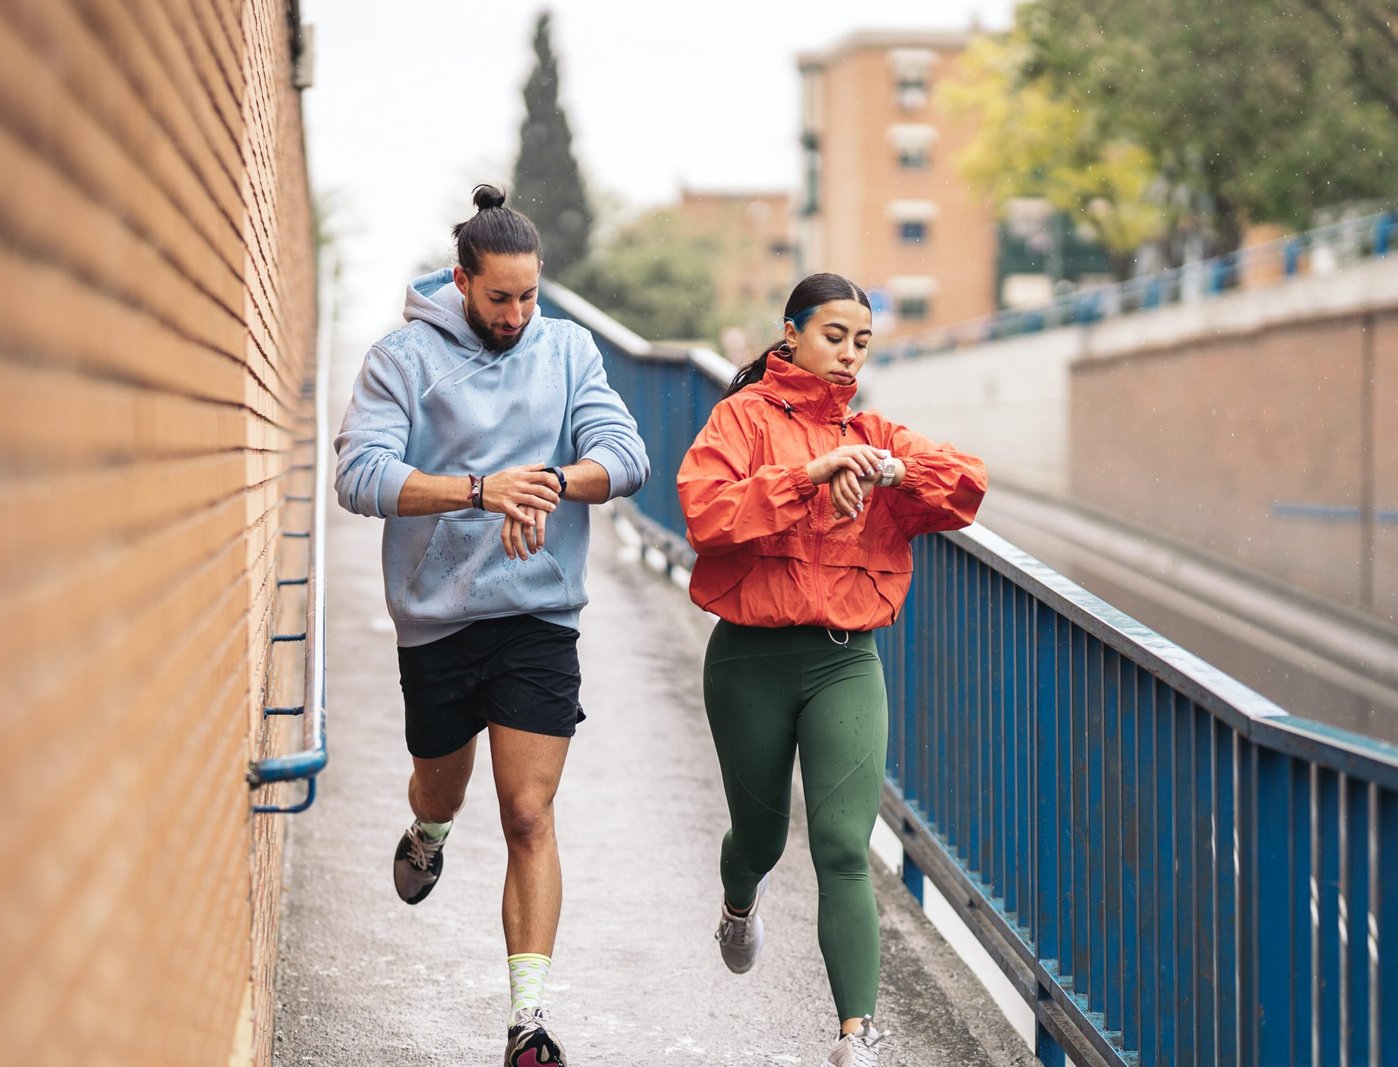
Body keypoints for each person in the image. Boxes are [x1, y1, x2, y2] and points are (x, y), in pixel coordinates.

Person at [333, 184, 649, 1067]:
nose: (517, 315)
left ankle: (528, 1021)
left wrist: (543, 478)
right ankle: (428, 833)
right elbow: (359, 476)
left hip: (539, 613)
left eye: (530, 295)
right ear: (463, 281)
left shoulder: (567, 349)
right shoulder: (402, 357)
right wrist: (478, 489)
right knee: (444, 788)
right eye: (500, 297)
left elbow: (625, 457)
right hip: (436, 617)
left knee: (527, 811)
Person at [676, 273, 987, 1066]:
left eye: (861, 341)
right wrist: (810, 475)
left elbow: (966, 487)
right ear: (791, 333)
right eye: (833, 335)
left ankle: (856, 1035)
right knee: (762, 836)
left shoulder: (876, 431)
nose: (848, 354)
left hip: (847, 662)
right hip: (750, 659)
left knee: (845, 847)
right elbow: (707, 514)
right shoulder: (741, 418)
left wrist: (885, 469)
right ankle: (738, 899)